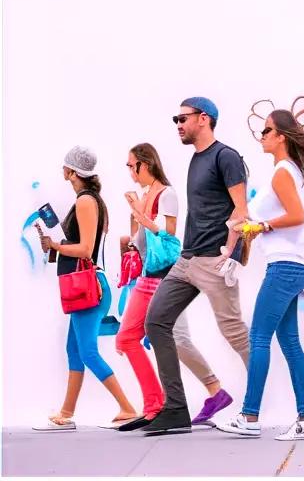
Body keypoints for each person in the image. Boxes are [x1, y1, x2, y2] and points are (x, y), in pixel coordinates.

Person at [216, 109, 304, 442]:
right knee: (290, 342)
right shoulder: (291, 171)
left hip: (284, 268)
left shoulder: (283, 171)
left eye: (267, 131)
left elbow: (295, 216)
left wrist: (261, 225)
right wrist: (241, 239)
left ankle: (250, 415)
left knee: (259, 339)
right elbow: (289, 218)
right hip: (290, 266)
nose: (261, 136)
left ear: (281, 136)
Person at [142, 97, 250, 435]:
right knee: (156, 322)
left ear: (204, 119)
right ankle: (175, 409)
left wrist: (230, 255)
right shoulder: (196, 160)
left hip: (213, 261)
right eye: (176, 119)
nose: (178, 125)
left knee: (237, 336)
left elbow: (241, 211)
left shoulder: (226, 157)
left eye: (182, 118)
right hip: (186, 261)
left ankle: (268, 401)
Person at [114, 143, 230, 432]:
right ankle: (161, 404)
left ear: (145, 163)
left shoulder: (167, 194)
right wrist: (130, 239)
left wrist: (140, 215)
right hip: (148, 275)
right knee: (137, 338)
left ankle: (207, 393)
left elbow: (169, 235)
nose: (129, 171)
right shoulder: (143, 195)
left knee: (174, 337)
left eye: (131, 165)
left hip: (168, 275)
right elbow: (141, 239)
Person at [33, 146, 139, 432]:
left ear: (72, 172)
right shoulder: (91, 200)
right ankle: (66, 413)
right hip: (87, 287)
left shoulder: (86, 201)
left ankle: (127, 407)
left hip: (89, 288)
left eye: (65, 166)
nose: (62, 171)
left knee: (88, 351)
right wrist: (56, 247)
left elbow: (86, 250)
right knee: (74, 349)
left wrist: (55, 244)